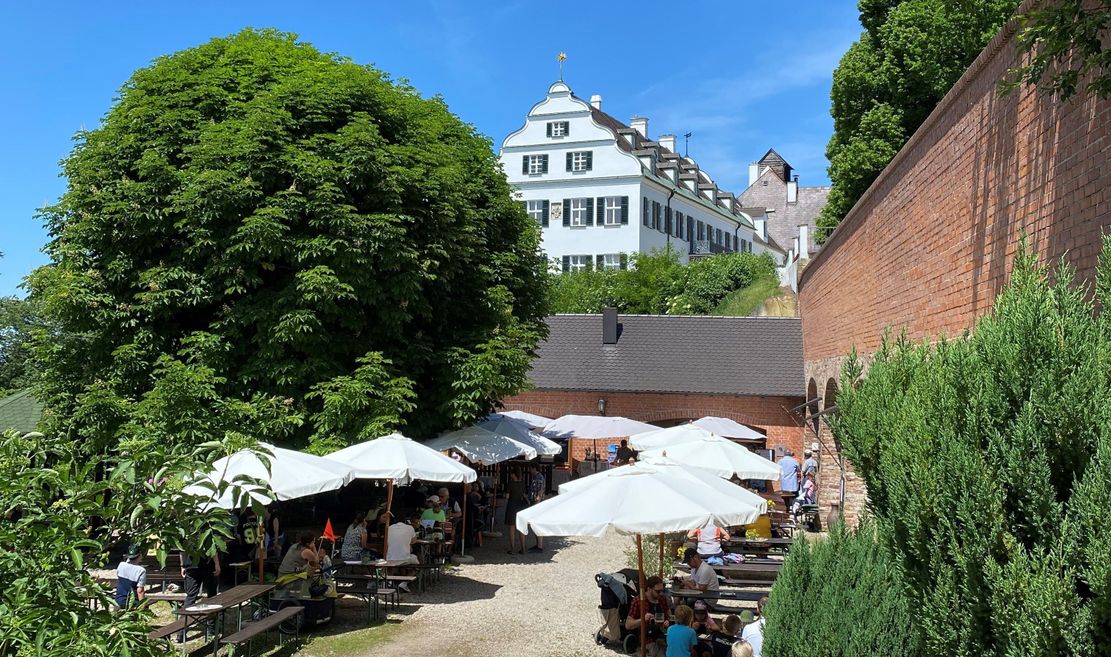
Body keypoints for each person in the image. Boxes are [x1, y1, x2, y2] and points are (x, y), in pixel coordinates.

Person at [178, 549, 221, 641]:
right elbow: (213, 549)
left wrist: (182, 565)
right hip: (208, 565)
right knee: (212, 597)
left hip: (191, 566)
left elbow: (182, 550)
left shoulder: (187, 534)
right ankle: (212, 629)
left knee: (190, 597)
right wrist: (217, 564)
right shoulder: (210, 533)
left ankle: (181, 632)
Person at [625, 575, 671, 657]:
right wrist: (643, 619)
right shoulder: (639, 601)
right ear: (649, 589)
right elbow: (628, 625)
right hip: (646, 638)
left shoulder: (662, 599)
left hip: (663, 635)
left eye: (662, 590)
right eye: (658, 591)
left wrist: (667, 621)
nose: (661, 593)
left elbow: (669, 614)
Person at [504, 469, 528, 554]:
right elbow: (524, 494)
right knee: (521, 528)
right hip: (520, 505)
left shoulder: (510, 484)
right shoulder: (522, 483)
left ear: (514, 474)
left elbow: (507, 496)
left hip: (512, 505)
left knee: (512, 527)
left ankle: (512, 548)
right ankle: (523, 548)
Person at [526, 466, 546, 552]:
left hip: (537, 503)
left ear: (535, 468)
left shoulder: (539, 477)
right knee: (534, 524)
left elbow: (540, 490)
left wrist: (538, 501)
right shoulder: (535, 477)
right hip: (534, 501)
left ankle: (540, 546)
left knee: (537, 523)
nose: (529, 469)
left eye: (531, 468)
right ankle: (538, 544)